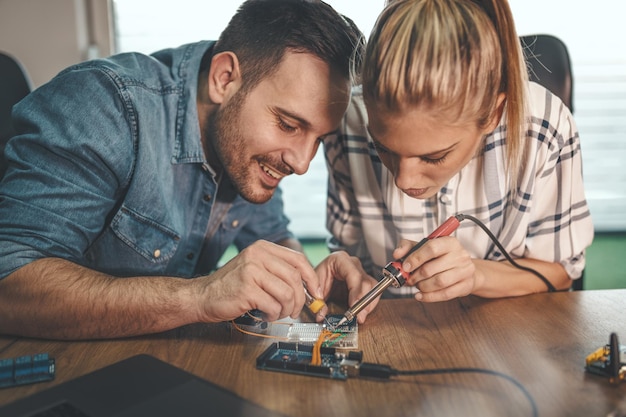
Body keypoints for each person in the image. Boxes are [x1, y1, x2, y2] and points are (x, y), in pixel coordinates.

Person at [0, 0, 378, 340]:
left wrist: (310, 282)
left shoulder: (248, 145)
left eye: (318, 139)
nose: (300, 162)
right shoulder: (102, 107)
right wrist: (202, 296)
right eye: (288, 125)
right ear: (224, 79)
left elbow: (273, 234)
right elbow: (9, 286)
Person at [325, 0, 594, 301]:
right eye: (382, 148)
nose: (403, 180)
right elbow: (349, 264)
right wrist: (347, 277)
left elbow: (562, 273)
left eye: (433, 156)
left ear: (493, 113)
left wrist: (476, 275)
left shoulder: (546, 128)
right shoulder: (347, 123)